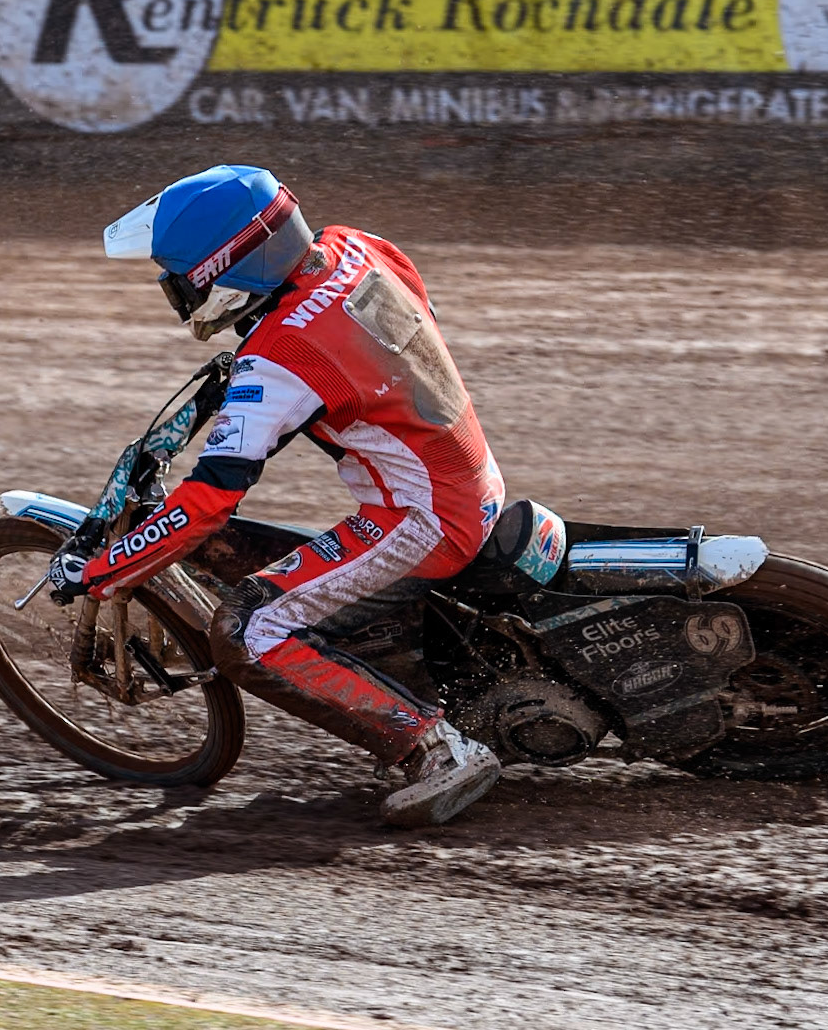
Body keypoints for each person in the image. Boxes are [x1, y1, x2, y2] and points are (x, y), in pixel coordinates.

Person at [47, 165, 508, 826]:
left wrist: (102, 572)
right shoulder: (355, 246)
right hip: (468, 474)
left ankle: (434, 748)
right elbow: (408, 319)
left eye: (178, 280)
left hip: (424, 519)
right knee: (250, 558)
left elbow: (209, 499)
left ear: (220, 271)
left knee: (246, 630)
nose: (176, 294)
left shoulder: (277, 359)